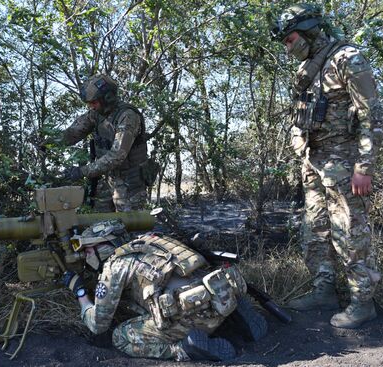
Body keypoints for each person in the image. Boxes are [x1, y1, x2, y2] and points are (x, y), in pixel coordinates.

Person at [271, 4, 383, 328]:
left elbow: (371, 114)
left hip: (344, 163)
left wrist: (364, 165)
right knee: (315, 230)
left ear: (307, 31)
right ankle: (324, 291)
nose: (287, 47)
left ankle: (363, 302)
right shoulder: (309, 68)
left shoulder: (347, 59)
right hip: (314, 163)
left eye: (290, 39)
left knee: (349, 231)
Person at [62, 220, 267, 361]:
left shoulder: (115, 266)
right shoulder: (155, 241)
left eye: (88, 250)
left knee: (120, 337)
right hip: (219, 300)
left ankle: (184, 348)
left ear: (103, 246)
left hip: (190, 317)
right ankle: (233, 315)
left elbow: (98, 324)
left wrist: (80, 292)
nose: (86, 256)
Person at [57, 74, 151, 212]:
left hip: (130, 184)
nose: (91, 107)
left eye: (94, 102)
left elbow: (117, 155)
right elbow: (73, 133)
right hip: (108, 180)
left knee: (129, 226)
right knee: (99, 225)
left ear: (108, 98)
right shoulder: (96, 115)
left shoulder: (128, 116)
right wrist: (49, 142)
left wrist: (82, 171)